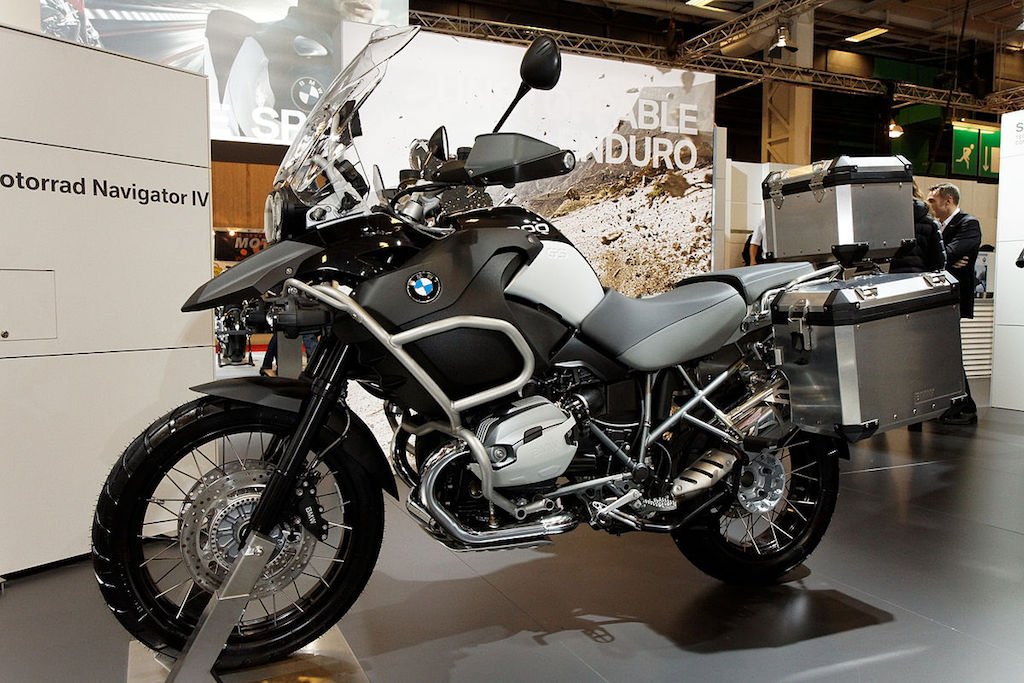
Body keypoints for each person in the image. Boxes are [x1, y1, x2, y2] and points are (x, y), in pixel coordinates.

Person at [926, 182, 982, 425]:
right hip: (935, 299)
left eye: (932, 201)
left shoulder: (968, 224)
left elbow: (948, 254)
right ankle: (950, 404)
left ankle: (966, 407)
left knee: (949, 354)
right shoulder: (934, 226)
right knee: (938, 354)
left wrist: (941, 260)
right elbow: (945, 257)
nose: (929, 205)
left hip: (953, 299)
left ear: (947, 201)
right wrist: (944, 260)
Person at [890, 184, 944, 273]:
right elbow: (938, 262)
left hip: (889, 276)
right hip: (919, 277)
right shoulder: (930, 222)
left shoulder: (883, 220)